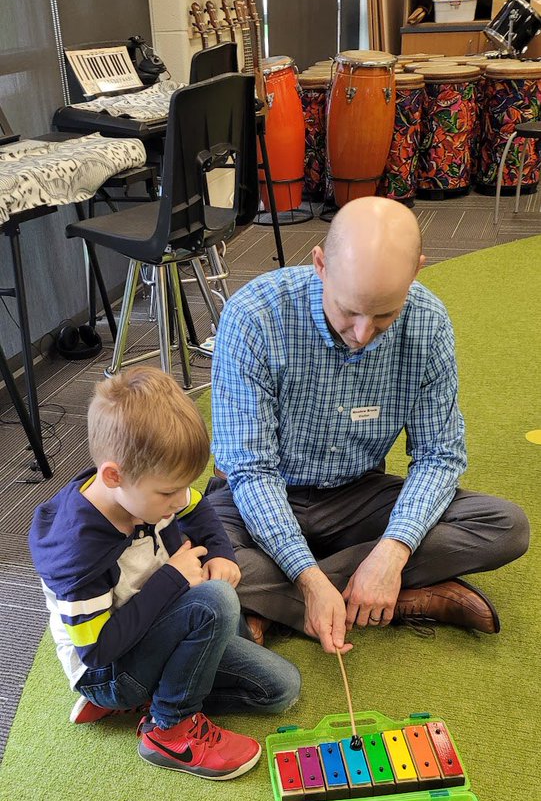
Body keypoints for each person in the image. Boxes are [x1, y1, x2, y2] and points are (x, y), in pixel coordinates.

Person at [206, 197, 529, 654]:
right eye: (349, 310)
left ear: (416, 271)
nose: (362, 334)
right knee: (195, 561)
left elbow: (439, 455)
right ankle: (386, 599)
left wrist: (392, 552)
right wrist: (308, 576)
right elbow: (252, 472)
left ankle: (279, 604)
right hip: (257, 497)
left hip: (357, 497)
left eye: (383, 316)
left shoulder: (428, 323)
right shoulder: (254, 317)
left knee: (505, 527)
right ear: (320, 264)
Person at [28, 367, 300, 779]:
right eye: (168, 493)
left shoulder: (146, 489)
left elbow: (198, 506)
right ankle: (169, 727)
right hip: (108, 671)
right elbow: (97, 650)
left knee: (279, 688)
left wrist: (222, 553)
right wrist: (174, 578)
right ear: (113, 476)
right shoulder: (77, 551)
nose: (179, 500)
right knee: (215, 603)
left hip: (154, 627)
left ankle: (158, 690)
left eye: (183, 486)